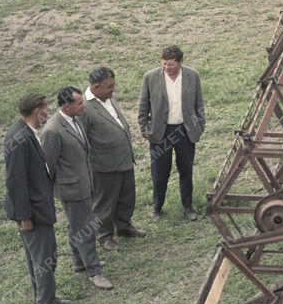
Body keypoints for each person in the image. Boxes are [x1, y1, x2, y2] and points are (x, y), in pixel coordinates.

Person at [4, 94, 69, 304]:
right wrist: (24, 216)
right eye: (44, 109)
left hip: (36, 210)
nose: (47, 113)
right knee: (44, 259)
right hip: (33, 213)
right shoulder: (20, 139)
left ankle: (48, 300)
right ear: (35, 111)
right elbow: (16, 182)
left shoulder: (24, 134)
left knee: (40, 259)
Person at [41, 87, 112, 291]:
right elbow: (49, 165)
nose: (83, 106)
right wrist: (64, 185)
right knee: (85, 229)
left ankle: (79, 261)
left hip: (84, 183)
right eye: (79, 103)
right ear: (66, 105)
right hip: (71, 189)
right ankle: (94, 271)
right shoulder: (52, 131)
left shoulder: (76, 120)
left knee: (76, 226)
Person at [137, 45, 206, 221]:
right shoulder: (150, 77)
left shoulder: (192, 76)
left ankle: (188, 207)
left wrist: (200, 125)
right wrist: (144, 128)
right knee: (159, 173)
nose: (168, 68)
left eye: (172, 64)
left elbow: (199, 103)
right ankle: (157, 208)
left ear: (180, 63)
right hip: (161, 133)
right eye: (165, 64)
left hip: (185, 131)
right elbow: (143, 105)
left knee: (186, 170)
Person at [83, 66, 144, 250]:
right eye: (108, 87)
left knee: (126, 196)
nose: (113, 90)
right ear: (95, 87)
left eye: (113, 85)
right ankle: (105, 235)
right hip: (104, 165)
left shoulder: (108, 98)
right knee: (105, 202)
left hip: (123, 159)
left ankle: (124, 226)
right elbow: (83, 139)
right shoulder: (84, 108)